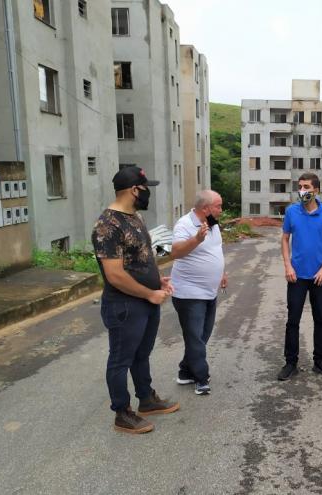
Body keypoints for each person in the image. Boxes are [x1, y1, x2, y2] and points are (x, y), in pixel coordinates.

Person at [92, 166, 180, 435]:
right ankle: (122, 412)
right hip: (124, 305)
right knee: (120, 359)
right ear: (134, 190)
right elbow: (115, 275)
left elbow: (143, 257)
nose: (147, 193)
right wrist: (149, 293)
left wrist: (158, 280)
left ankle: (147, 399)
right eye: (145, 188)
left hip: (145, 301)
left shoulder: (135, 218)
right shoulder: (107, 225)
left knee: (142, 353)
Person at [278, 173, 322, 381]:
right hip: (296, 276)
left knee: (320, 318)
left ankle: (319, 362)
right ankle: (290, 363)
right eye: (300, 186)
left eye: (306, 187)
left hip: (320, 276)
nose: (302, 190)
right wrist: (287, 265)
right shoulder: (291, 212)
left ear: (316, 190)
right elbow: (285, 239)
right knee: (292, 320)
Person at [170, 190, 227, 396]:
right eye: (218, 206)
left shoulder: (212, 222)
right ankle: (201, 378)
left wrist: (222, 272)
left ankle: (185, 371)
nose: (221, 210)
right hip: (189, 293)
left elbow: (216, 249)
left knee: (202, 335)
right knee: (195, 337)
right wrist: (196, 239)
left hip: (209, 291)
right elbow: (175, 252)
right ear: (206, 208)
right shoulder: (184, 224)